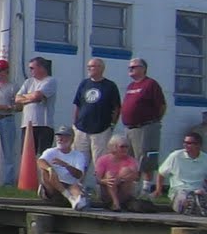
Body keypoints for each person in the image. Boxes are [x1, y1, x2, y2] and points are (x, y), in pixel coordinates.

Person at [71, 58, 121, 189]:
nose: (89, 69)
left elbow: (116, 108)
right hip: (81, 129)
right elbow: (77, 104)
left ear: (101, 68)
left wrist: (112, 125)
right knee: (80, 161)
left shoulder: (110, 86)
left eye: (92, 66)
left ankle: (102, 191)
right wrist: (75, 124)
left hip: (101, 129)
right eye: (88, 66)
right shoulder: (84, 84)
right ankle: (77, 188)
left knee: (100, 162)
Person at [121, 58, 167, 180]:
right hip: (130, 129)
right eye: (129, 67)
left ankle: (145, 190)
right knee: (130, 160)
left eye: (134, 67)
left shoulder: (150, 84)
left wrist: (152, 122)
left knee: (145, 159)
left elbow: (162, 106)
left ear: (143, 69)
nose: (131, 69)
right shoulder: (131, 86)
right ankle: (132, 189)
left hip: (145, 127)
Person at [154, 130, 207, 214]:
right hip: (179, 190)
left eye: (189, 143)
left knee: (199, 195)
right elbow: (161, 173)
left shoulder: (205, 158)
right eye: (184, 142)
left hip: (199, 190)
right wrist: (158, 190)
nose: (185, 145)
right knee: (186, 200)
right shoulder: (175, 156)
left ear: (198, 145)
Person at [37, 125, 88, 210]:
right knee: (45, 171)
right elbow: (40, 161)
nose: (60, 139)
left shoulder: (78, 155)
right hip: (53, 186)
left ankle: (78, 200)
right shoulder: (51, 151)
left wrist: (66, 165)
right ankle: (70, 198)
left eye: (63, 137)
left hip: (69, 185)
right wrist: (50, 169)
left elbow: (79, 175)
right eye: (58, 136)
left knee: (75, 187)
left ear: (71, 139)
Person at [15, 56, 57, 155]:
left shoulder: (50, 81)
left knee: (43, 157)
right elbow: (17, 98)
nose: (30, 71)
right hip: (27, 124)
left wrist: (26, 97)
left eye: (32, 68)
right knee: (27, 156)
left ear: (41, 68)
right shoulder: (28, 82)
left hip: (44, 125)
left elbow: (37, 95)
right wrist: (31, 97)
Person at [92, 137, 142, 211]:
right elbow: (98, 179)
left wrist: (120, 179)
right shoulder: (103, 160)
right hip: (107, 192)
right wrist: (106, 181)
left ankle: (117, 204)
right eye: (122, 146)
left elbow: (136, 177)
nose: (125, 149)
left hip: (124, 191)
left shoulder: (131, 160)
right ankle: (115, 202)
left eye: (127, 146)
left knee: (126, 170)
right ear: (113, 147)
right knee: (110, 175)